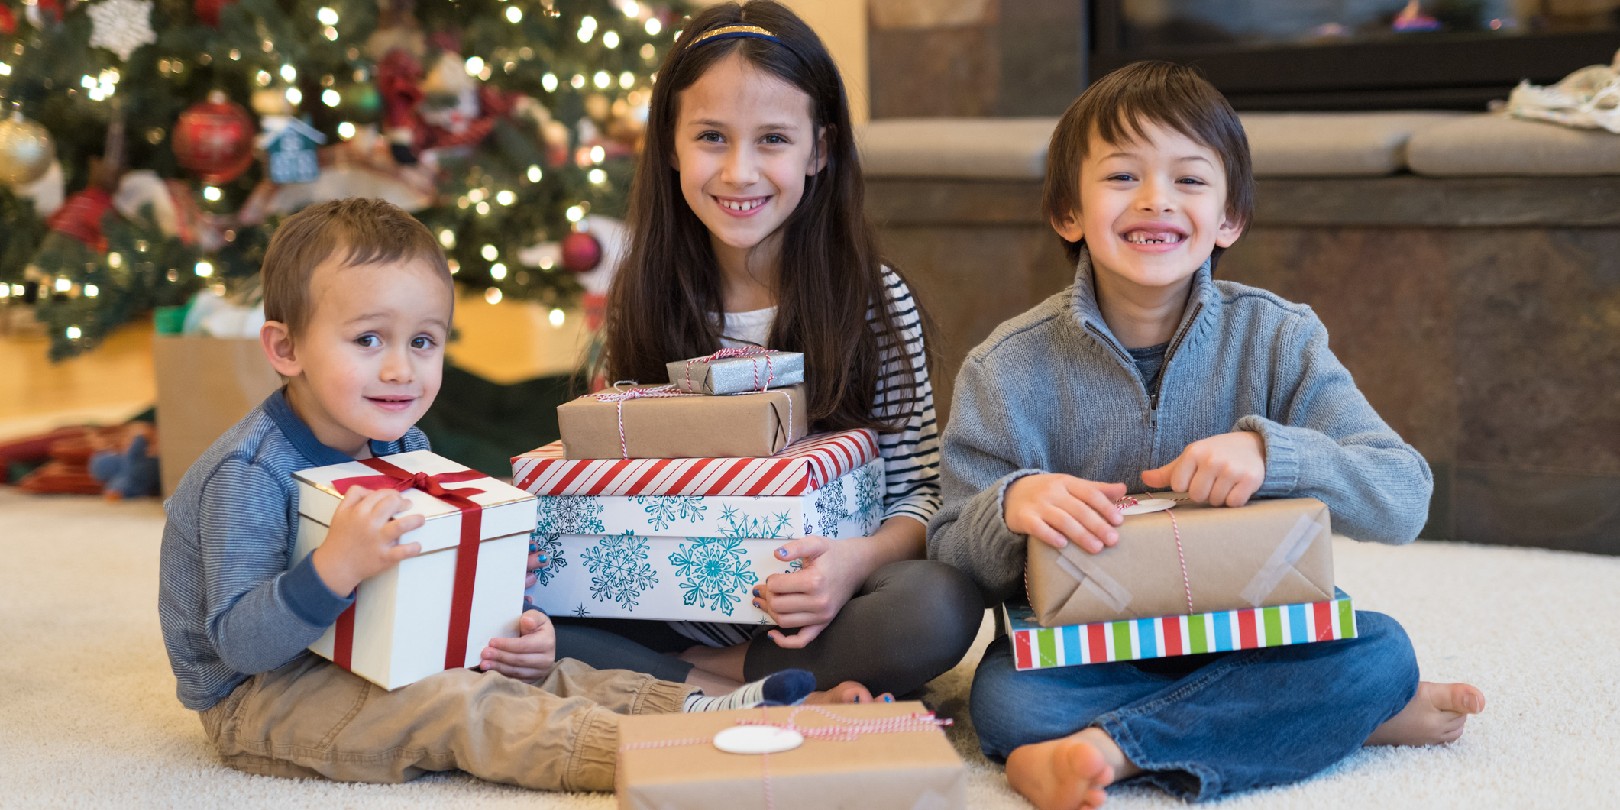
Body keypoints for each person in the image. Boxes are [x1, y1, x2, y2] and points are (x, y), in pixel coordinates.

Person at [157, 198, 867, 793]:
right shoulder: (250, 473)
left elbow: (423, 579)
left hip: (381, 647)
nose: (402, 370)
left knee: (541, 670)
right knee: (457, 704)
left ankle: (729, 714)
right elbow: (241, 646)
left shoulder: (401, 447)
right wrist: (336, 567)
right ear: (285, 349)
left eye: (426, 342)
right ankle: (669, 758)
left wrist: (497, 599)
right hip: (263, 696)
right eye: (368, 339)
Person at [926, 62, 1485, 809]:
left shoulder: (1280, 338)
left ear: (1230, 218)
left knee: (1381, 654)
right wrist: (1012, 505)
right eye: (1123, 177)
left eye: (1189, 181)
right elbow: (949, 547)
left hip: (1256, 638)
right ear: (1068, 211)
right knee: (1007, 704)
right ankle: (1324, 721)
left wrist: (1270, 454)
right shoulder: (1007, 369)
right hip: (1088, 651)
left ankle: (1108, 752)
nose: (1157, 199)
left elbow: (1402, 494)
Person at [550, 0, 984, 699]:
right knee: (532, 606)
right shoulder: (644, 293)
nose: (739, 172)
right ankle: (746, 682)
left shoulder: (872, 299)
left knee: (940, 606)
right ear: (670, 145)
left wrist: (849, 563)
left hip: (829, 605)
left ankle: (699, 685)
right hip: (677, 603)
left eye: (773, 140)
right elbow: (614, 494)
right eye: (712, 138)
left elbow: (921, 496)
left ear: (820, 149)